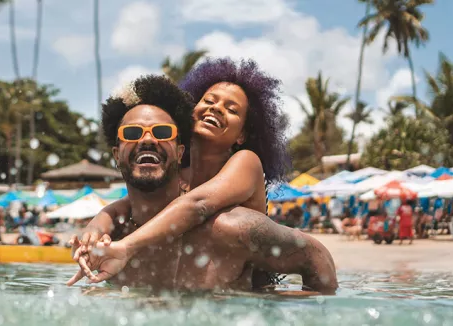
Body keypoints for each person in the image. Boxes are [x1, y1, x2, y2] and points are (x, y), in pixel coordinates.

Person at [66, 75, 337, 293]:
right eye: (209, 100)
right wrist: (98, 223)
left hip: (248, 265)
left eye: (231, 109)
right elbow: (133, 202)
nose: (217, 108)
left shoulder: (245, 162)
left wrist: (126, 247)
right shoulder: (176, 172)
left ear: (242, 134)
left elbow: (198, 205)